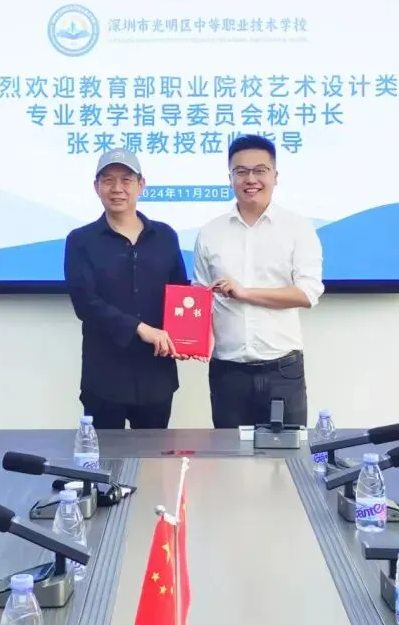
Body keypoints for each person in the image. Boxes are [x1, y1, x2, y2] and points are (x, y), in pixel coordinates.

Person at [192, 134, 324, 428]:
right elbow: (199, 298)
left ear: (275, 176)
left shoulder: (298, 228)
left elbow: (308, 294)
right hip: (228, 371)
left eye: (260, 170)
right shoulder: (210, 233)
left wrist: (245, 293)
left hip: (282, 369)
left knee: (287, 455)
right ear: (230, 178)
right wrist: (187, 338)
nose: (250, 179)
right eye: (241, 171)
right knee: (230, 454)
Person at [64, 148, 188, 430]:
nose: (117, 188)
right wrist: (139, 328)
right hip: (105, 375)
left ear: (141, 185)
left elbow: (180, 292)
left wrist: (188, 336)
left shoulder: (165, 236)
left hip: (156, 374)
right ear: (96, 187)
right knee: (105, 456)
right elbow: (85, 303)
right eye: (108, 180)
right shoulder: (81, 240)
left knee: (154, 456)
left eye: (126, 180)